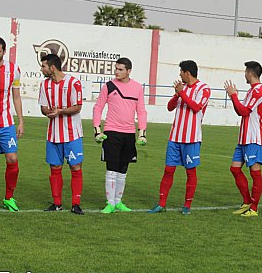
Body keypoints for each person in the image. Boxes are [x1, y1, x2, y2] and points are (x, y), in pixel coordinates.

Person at [148, 60, 211, 215]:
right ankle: (161, 204)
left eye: (181, 72)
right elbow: (170, 107)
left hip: (191, 138)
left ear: (187, 73)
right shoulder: (182, 89)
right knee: (168, 170)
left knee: (190, 172)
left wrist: (181, 92)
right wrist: (177, 94)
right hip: (175, 137)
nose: (179, 75)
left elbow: (196, 107)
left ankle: (187, 205)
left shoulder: (204, 89)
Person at [92, 57, 147, 214]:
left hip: (129, 134)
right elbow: (98, 108)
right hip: (112, 133)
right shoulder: (108, 86)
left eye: (120, 69)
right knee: (112, 169)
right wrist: (97, 130)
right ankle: (110, 203)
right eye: (116, 68)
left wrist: (142, 133)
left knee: (123, 171)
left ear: (129, 71)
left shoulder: (137, 87)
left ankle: (118, 202)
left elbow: (141, 111)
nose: (117, 71)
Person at [38, 53, 85, 215]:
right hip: (53, 135)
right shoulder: (44, 85)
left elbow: (77, 107)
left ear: (52, 67)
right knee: (55, 167)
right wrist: (48, 112)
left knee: (75, 167)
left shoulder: (73, 83)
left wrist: (60, 111)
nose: (41, 69)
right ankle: (57, 203)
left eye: (43, 66)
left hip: (72, 134)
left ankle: (75, 204)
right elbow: (43, 107)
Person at [224, 61, 262, 218]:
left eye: (245, 72)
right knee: (235, 169)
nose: (244, 74)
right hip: (244, 138)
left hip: (253, 139)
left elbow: (243, 111)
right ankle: (247, 201)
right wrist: (234, 97)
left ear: (250, 73)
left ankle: (254, 208)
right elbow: (240, 111)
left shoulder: (259, 91)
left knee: (255, 172)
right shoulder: (251, 91)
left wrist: (233, 95)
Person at [0, 36, 24, 212]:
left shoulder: (13, 69)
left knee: (13, 159)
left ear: (4, 51)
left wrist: (21, 121)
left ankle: (9, 198)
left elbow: (16, 97)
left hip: (5, 124)